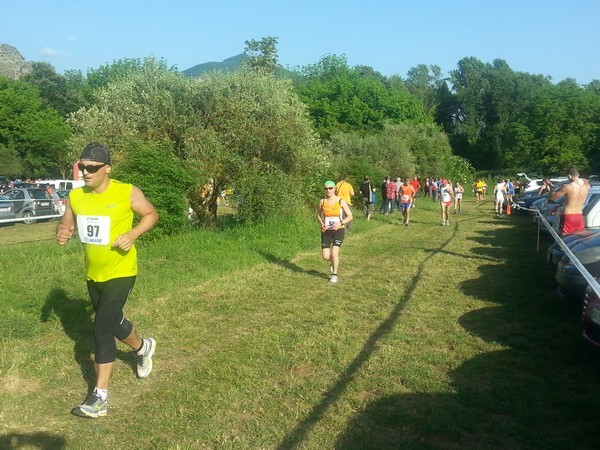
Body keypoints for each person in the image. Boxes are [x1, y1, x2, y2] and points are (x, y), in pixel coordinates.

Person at [55, 142, 159, 418]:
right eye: (82, 167)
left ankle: (99, 398)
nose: (85, 172)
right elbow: (67, 222)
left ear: (107, 169)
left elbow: (151, 214)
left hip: (122, 271)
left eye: (91, 168)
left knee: (101, 327)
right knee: (113, 322)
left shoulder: (126, 192)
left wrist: (133, 234)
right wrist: (63, 232)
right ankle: (142, 347)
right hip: (94, 274)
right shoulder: (76, 197)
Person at [318, 180, 353, 283]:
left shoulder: (340, 201)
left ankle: (334, 274)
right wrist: (322, 224)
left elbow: (350, 216)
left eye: (330, 188)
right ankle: (334, 262)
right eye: (326, 188)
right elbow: (318, 215)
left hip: (339, 230)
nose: (328, 190)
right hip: (327, 231)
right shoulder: (322, 201)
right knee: (326, 256)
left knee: (334, 253)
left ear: (334, 189)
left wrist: (341, 222)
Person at [550, 168, 591, 235]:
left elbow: (552, 198)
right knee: (578, 237)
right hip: (579, 215)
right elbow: (586, 181)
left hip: (568, 215)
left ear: (569, 176)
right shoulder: (587, 186)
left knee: (565, 237)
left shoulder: (567, 187)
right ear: (578, 175)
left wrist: (552, 189)